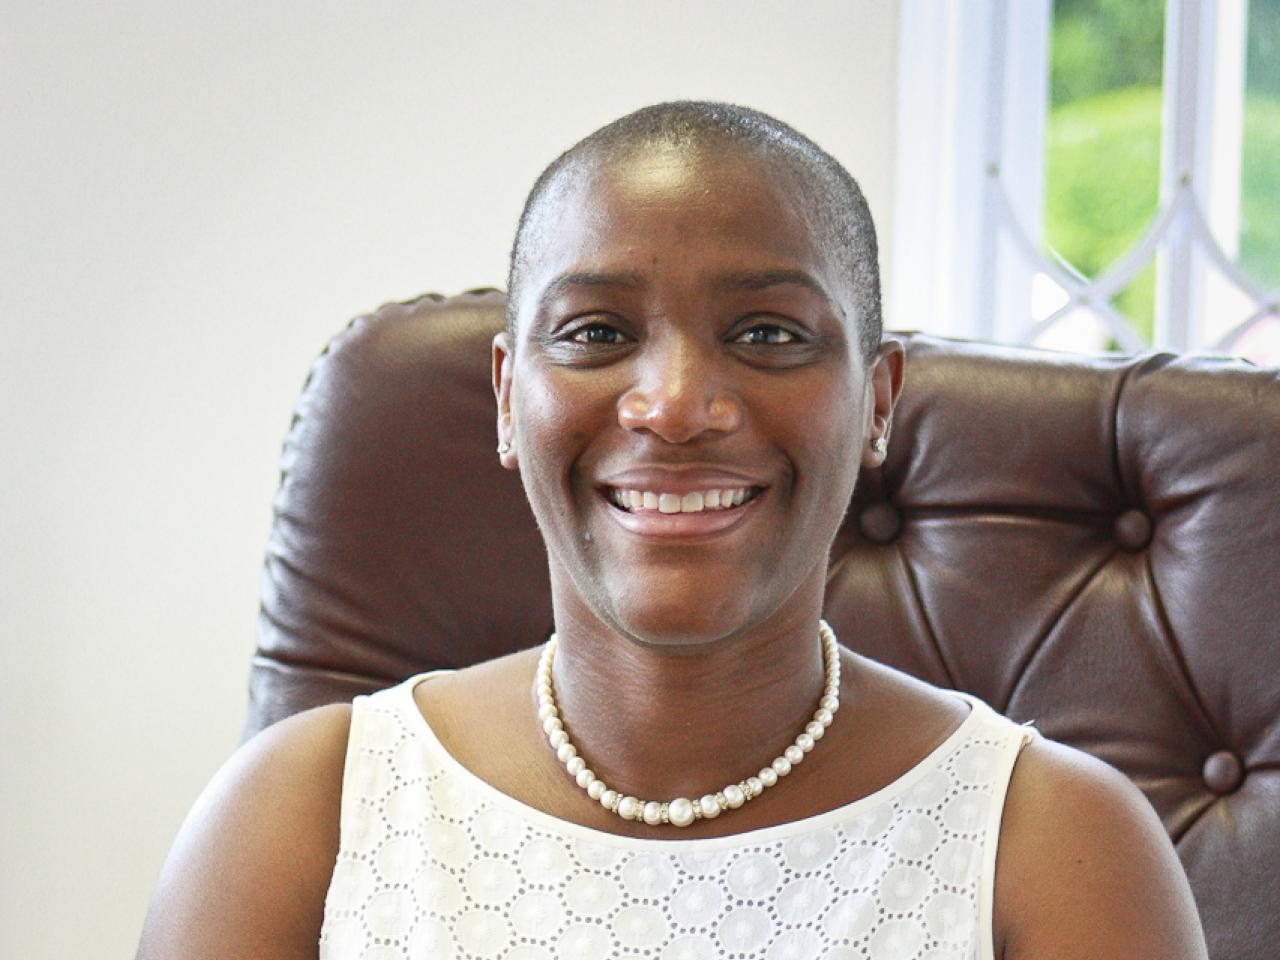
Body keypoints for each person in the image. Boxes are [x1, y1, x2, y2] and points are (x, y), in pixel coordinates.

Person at [136, 102, 1208, 960]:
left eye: (766, 333)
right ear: (507, 400)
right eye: (596, 333)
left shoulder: (1051, 842)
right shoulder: (305, 812)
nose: (677, 405)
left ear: (877, 402)